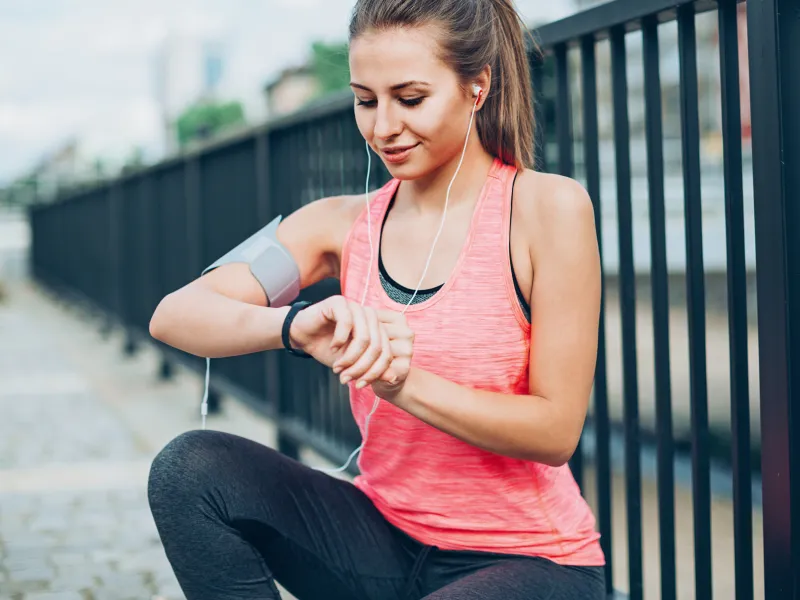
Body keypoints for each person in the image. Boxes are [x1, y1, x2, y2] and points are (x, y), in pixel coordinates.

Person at [146, 0, 605, 598]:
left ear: (477, 86)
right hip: (380, 542)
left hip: (528, 562)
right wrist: (296, 326)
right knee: (190, 470)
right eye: (366, 100)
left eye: (409, 99)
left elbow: (555, 429)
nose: (382, 126)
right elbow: (175, 314)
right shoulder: (339, 226)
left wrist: (398, 381)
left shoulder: (547, 209)